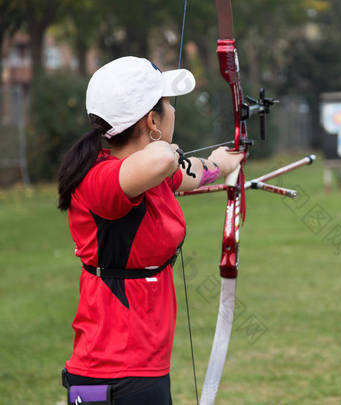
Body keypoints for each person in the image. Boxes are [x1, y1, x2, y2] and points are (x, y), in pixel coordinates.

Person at [56, 56, 243, 405]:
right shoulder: (102, 180)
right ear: (152, 120)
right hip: (113, 374)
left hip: (140, 368)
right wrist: (165, 149)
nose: (174, 112)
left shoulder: (146, 176)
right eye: (168, 105)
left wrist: (220, 163)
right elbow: (163, 161)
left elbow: (188, 172)